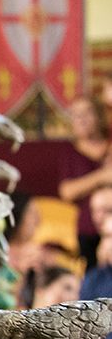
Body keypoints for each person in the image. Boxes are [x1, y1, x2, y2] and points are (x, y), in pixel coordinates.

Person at [57, 97, 110, 266]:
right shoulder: (70, 152)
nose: (81, 119)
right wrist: (101, 177)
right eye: (76, 115)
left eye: (87, 113)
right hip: (89, 231)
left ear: (98, 116)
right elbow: (67, 191)